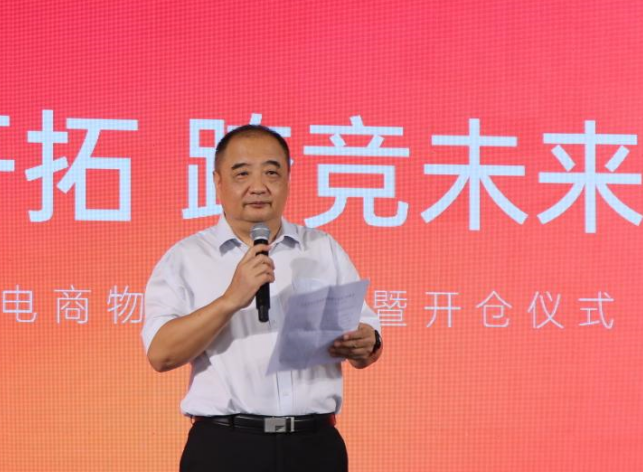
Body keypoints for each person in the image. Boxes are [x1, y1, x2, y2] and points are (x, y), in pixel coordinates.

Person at [142, 124, 383, 472]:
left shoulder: (322, 248)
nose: (258, 187)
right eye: (242, 173)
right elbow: (161, 354)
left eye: (272, 173)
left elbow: (368, 342)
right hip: (226, 448)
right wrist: (230, 299)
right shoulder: (187, 258)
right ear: (218, 181)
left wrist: (366, 343)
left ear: (288, 179)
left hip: (314, 446)